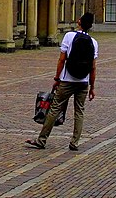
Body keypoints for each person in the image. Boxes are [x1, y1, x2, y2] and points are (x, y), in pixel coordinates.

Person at [27, 12, 97, 151]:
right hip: (83, 81)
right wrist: (92, 86)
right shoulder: (93, 42)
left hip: (67, 80)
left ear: (79, 22)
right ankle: (74, 142)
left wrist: (57, 78)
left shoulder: (69, 36)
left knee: (55, 108)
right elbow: (93, 67)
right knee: (79, 112)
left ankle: (42, 140)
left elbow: (61, 59)